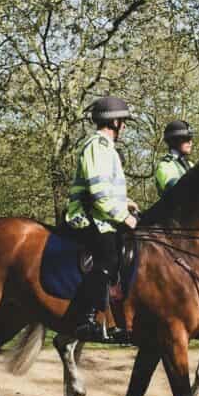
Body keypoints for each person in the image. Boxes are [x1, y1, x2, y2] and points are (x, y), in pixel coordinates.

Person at [65, 96, 139, 342]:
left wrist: (125, 202)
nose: (125, 127)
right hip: (88, 217)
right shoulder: (96, 145)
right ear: (114, 121)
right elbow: (98, 194)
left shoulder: (107, 148)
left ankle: (120, 320)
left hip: (103, 215)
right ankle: (87, 319)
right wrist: (124, 216)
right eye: (123, 122)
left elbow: (108, 190)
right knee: (108, 258)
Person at [154, 120, 195, 197]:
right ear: (173, 141)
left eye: (191, 139)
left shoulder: (191, 164)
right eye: (186, 138)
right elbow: (175, 191)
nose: (190, 142)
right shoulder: (164, 165)